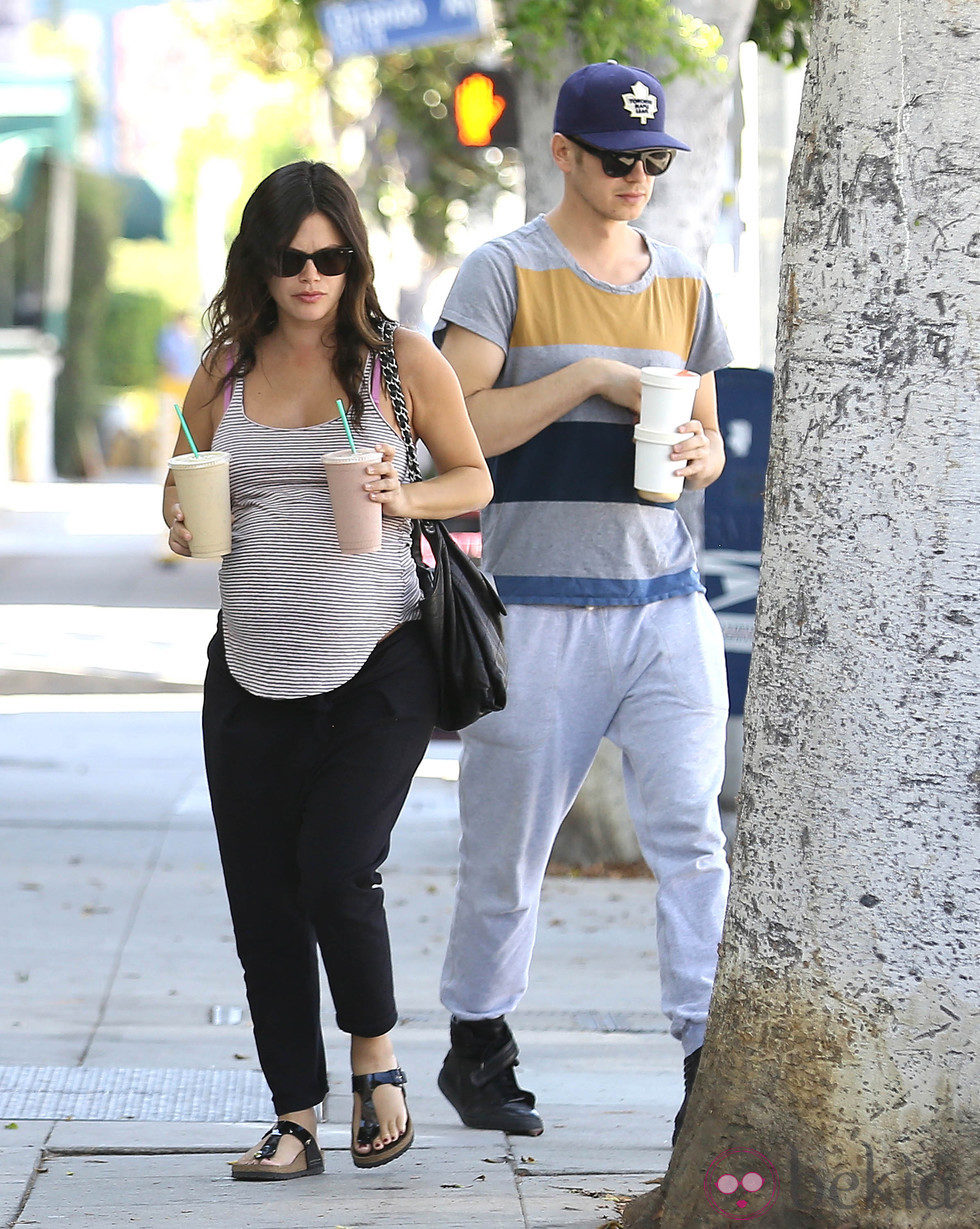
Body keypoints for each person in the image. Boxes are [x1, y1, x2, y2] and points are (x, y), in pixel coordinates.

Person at [162, 160, 492, 1179]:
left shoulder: (398, 364)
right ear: (258, 265)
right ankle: (295, 1117)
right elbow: (182, 489)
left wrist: (401, 497)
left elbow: (473, 477)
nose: (311, 276)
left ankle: (377, 1059)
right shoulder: (222, 369)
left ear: (354, 259)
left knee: (336, 867)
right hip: (249, 668)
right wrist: (181, 522)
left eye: (330, 255)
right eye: (289, 257)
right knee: (264, 899)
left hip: (378, 661)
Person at [434, 61, 732, 1143]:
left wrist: (695, 451)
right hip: (536, 609)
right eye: (618, 159)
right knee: (506, 845)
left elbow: (697, 442)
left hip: (661, 598)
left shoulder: (687, 284)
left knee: (690, 835)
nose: (637, 176)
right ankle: (477, 1039)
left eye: (654, 160)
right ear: (562, 152)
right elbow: (454, 432)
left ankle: (707, 1052)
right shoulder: (501, 271)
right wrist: (586, 376)